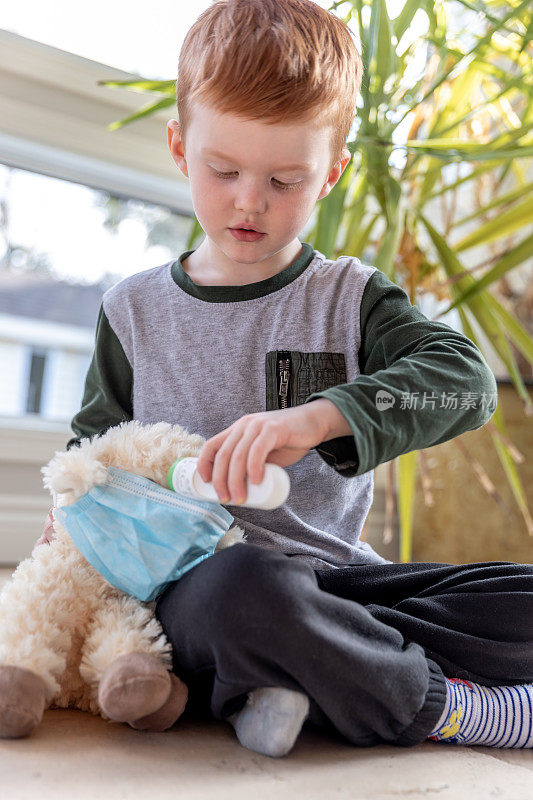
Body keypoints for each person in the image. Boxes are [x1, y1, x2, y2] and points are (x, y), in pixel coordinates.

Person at [38, 0, 532, 757]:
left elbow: (461, 382)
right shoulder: (131, 310)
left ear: (330, 174)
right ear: (179, 147)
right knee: (243, 595)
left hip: (338, 591)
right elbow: (91, 457)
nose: (249, 201)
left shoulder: (350, 295)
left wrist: (317, 419)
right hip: (200, 593)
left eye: (284, 179)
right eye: (224, 170)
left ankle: (299, 680)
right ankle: (450, 710)